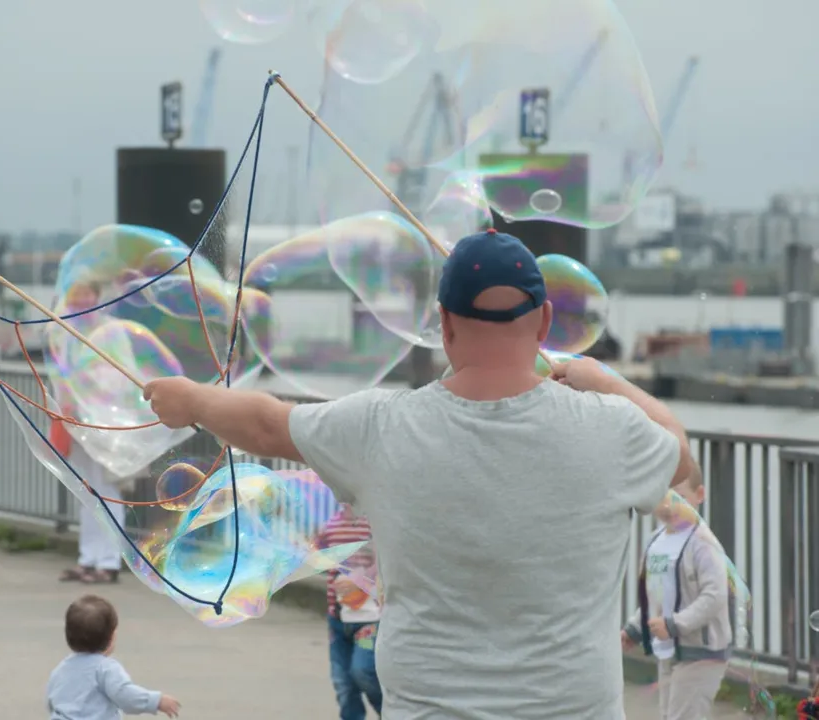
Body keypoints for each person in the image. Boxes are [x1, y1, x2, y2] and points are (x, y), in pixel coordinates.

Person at [143, 230, 696, 719]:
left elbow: (267, 425)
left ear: (445, 324)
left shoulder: (381, 427)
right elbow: (682, 457)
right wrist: (603, 380)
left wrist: (191, 399)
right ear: (545, 321)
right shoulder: (612, 430)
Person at [621, 465, 732, 720]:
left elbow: (715, 595)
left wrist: (675, 624)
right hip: (668, 650)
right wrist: (635, 629)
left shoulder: (703, 543)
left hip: (701, 653)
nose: (669, 503)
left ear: (699, 495)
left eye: (679, 496)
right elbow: (655, 596)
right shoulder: (655, 542)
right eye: (663, 493)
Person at [50, 280, 126, 585]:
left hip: (103, 421)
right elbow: (59, 375)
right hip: (75, 420)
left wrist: (87, 385)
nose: (80, 306)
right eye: (75, 301)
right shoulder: (65, 333)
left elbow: (120, 376)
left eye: (86, 299)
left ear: (98, 298)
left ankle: (109, 561)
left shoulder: (112, 332)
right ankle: (88, 558)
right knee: (85, 490)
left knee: (106, 490)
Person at [46, 594, 181, 719]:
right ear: (111, 637)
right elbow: (125, 696)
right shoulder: (105, 668)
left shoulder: (60, 669)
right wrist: (156, 701)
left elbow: (53, 702)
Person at [315, 503, 383, 720]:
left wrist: (360, 579)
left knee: (363, 672)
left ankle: (390, 712)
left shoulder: (373, 523)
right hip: (338, 617)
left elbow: (385, 561)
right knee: (343, 682)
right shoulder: (332, 524)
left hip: (369, 620)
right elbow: (318, 555)